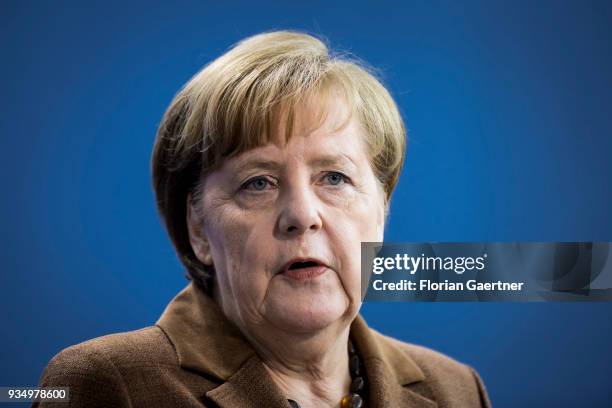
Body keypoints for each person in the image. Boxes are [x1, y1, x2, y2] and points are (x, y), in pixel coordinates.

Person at [35, 31, 491, 408]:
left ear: (382, 210)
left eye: (334, 177)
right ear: (198, 229)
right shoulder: (106, 385)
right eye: (258, 183)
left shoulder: (455, 389)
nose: (301, 215)